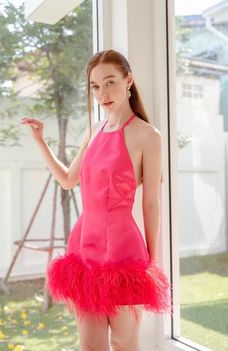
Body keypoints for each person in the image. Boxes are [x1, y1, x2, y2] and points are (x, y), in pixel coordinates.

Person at [21, 49, 173, 351]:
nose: (102, 93)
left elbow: (151, 202)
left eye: (110, 82)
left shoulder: (148, 135)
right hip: (84, 250)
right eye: (94, 86)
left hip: (124, 254)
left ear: (128, 80)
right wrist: (41, 142)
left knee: (124, 343)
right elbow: (67, 180)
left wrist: (151, 263)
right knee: (90, 345)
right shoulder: (94, 131)